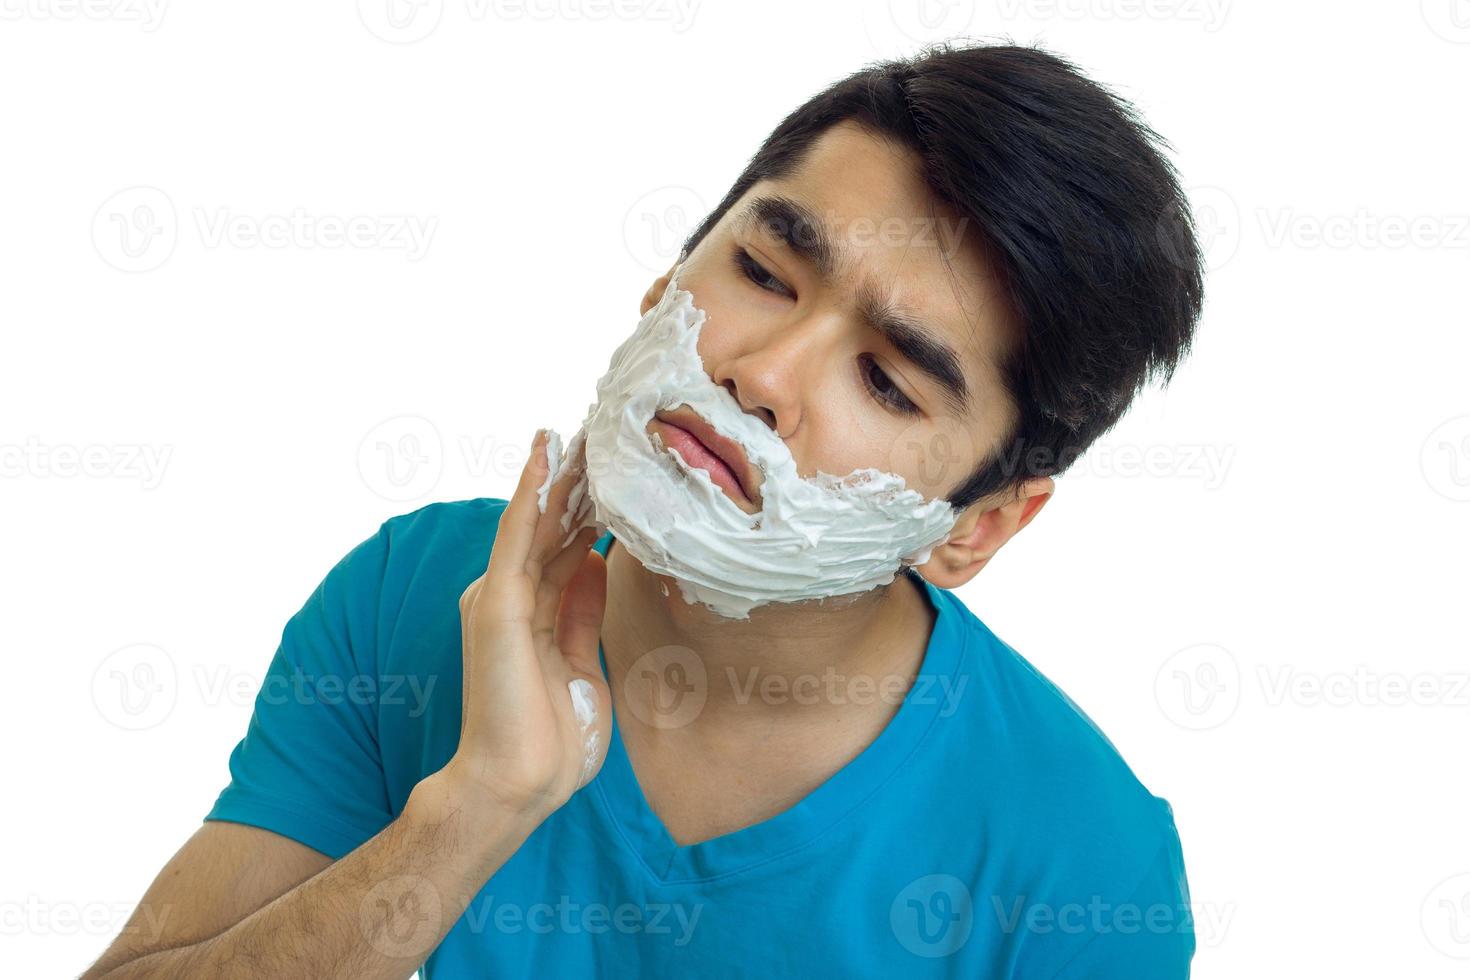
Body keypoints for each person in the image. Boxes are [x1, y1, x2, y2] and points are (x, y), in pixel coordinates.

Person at [84, 40, 1204, 979]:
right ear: (669, 275)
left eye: (886, 380)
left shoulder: (1081, 861)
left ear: (979, 526)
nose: (760, 372)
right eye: (764, 271)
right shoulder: (418, 594)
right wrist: (471, 810)